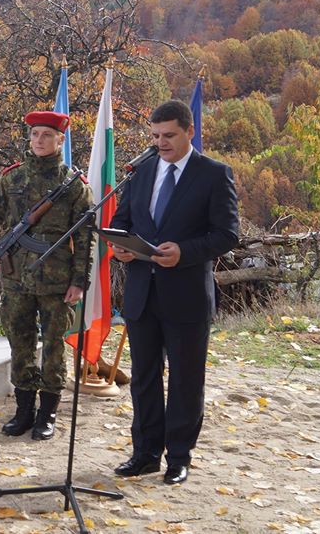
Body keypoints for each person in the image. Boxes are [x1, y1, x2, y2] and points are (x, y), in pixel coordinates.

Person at [110, 99, 239, 485]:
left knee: (185, 379)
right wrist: (120, 247)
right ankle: (145, 453)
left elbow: (227, 234)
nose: (161, 143)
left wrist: (184, 253)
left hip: (186, 296)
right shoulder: (141, 171)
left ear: (189, 132)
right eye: (155, 136)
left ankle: (178, 458)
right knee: (144, 378)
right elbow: (121, 219)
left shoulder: (214, 174)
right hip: (141, 294)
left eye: (169, 135)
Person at [0, 111, 93, 441]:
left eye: (46, 135)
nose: (39, 140)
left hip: (57, 280)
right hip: (17, 278)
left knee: (54, 346)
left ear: (60, 140)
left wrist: (79, 281)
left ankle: (48, 412)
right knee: (20, 342)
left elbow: (86, 237)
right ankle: (24, 409)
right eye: (35, 134)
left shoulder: (73, 186)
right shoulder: (12, 178)